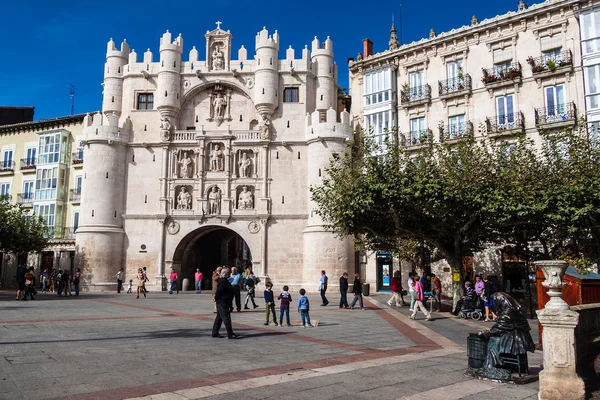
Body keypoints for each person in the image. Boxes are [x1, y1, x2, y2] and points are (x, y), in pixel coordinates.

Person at [212, 267, 240, 339]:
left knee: (219, 318)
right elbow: (219, 291)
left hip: (223, 301)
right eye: (228, 273)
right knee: (226, 318)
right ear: (226, 274)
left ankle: (215, 333)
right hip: (222, 302)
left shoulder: (224, 281)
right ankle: (230, 334)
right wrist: (216, 298)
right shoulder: (223, 281)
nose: (229, 274)